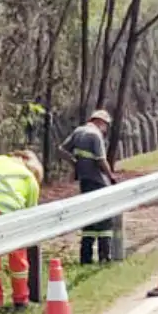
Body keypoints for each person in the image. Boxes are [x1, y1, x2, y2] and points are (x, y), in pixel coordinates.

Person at [0, 149, 44, 313]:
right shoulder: (30, 180)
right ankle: (21, 300)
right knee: (18, 258)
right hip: (9, 213)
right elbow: (30, 213)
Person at [59, 109, 117, 264]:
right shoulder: (95, 135)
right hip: (99, 182)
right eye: (105, 126)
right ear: (100, 122)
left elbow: (62, 150)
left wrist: (75, 164)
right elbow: (101, 159)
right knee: (105, 218)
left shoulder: (78, 132)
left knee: (89, 217)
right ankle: (105, 256)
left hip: (85, 181)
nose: (105, 130)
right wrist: (111, 176)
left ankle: (86, 257)